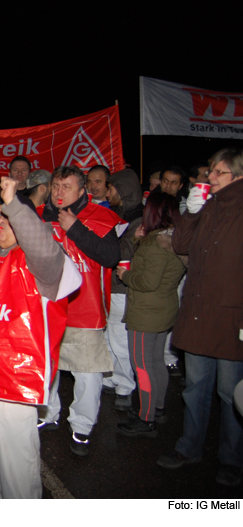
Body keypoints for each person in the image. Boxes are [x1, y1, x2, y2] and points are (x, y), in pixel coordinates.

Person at [0, 176, 81, 498]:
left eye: (6, 218)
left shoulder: (40, 263)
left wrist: (14, 205)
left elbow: (45, 250)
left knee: (16, 462)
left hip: (14, 379)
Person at [158, 147, 243, 487]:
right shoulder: (208, 206)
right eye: (210, 172)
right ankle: (189, 446)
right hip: (197, 313)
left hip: (232, 318)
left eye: (218, 172)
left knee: (230, 393)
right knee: (195, 388)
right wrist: (191, 213)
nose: (209, 178)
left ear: (238, 175)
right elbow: (181, 244)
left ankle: (232, 458)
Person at [37, 166, 122, 456]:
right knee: (48, 368)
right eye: (56, 186)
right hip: (47, 307)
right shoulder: (38, 216)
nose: (59, 193)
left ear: (82, 190)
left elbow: (110, 256)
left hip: (85, 308)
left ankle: (82, 426)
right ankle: (48, 414)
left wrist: (74, 227)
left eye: (67, 187)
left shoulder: (100, 217)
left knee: (86, 372)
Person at [115, 193, 186, 437]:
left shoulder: (156, 244)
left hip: (147, 311)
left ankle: (146, 419)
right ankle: (157, 408)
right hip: (163, 308)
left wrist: (125, 276)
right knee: (156, 362)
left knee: (142, 366)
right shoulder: (173, 239)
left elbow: (147, 280)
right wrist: (138, 242)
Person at [102, 169, 144, 409]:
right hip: (111, 284)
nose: (108, 192)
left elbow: (125, 252)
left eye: (111, 188)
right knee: (110, 336)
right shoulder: (121, 214)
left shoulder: (138, 218)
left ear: (123, 190)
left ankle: (126, 386)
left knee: (120, 339)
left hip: (122, 287)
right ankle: (112, 377)